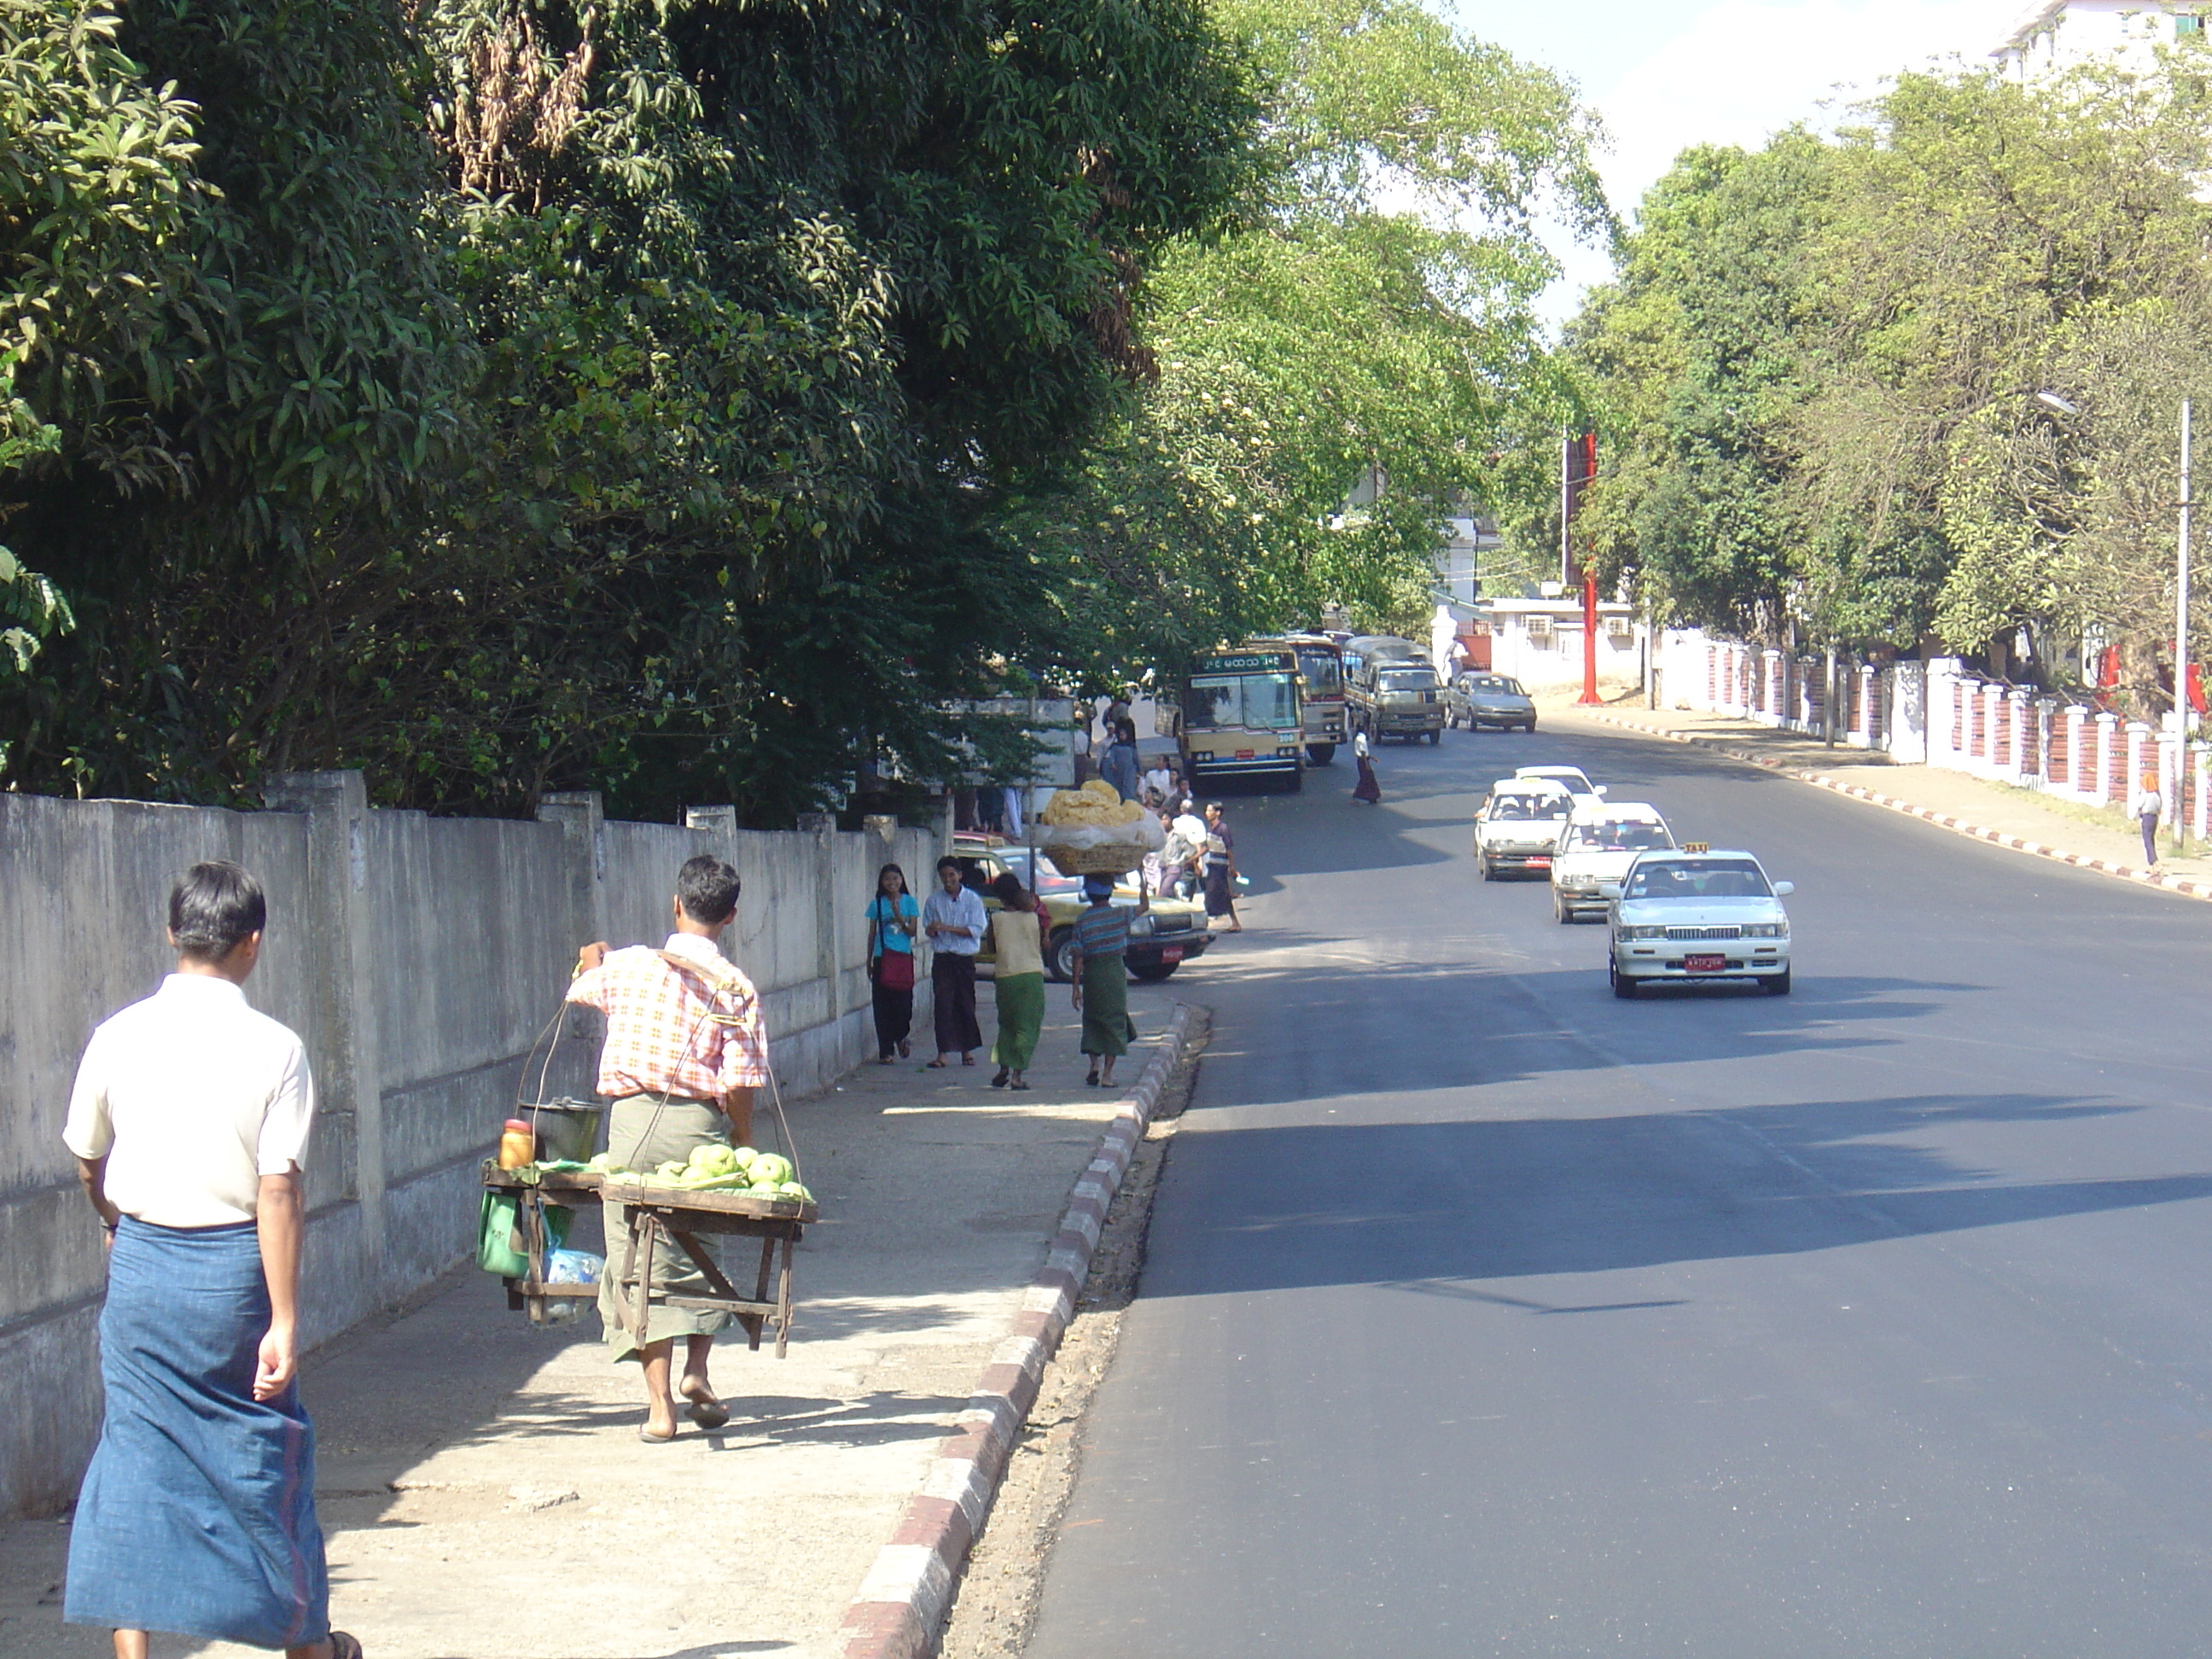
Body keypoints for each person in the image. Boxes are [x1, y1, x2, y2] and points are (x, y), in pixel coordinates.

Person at [62, 861, 363, 1659]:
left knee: (135, 1453)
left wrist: (116, 1223)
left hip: (142, 1273)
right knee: (262, 1455)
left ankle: (134, 1654)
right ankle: (307, 1646)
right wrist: (286, 1317)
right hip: (232, 1277)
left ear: (173, 933)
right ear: (253, 944)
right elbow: (278, 1194)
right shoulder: (276, 1049)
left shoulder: (118, 1035)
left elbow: (89, 1162)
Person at [568, 854, 770, 1442]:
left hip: (632, 1127)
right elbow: (739, 1083)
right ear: (730, 916)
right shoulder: (736, 988)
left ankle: (659, 1410)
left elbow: (579, 991)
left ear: (676, 906)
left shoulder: (629, 967)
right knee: (699, 1245)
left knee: (634, 1256)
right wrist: (742, 1138)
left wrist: (588, 959)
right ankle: (698, 1370)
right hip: (699, 1129)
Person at [1071, 873, 1148, 1088]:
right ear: (1110, 892)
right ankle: (1107, 1075)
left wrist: (1076, 988)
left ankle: (1094, 1065)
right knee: (1114, 1020)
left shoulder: (1082, 920)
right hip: (1114, 972)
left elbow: (1078, 956)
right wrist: (1143, 882)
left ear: (1088, 893)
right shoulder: (1120, 915)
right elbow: (1144, 906)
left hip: (1092, 975)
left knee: (1093, 1019)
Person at [987, 873, 1051, 1091]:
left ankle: (1003, 1067)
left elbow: (992, 948)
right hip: (1031, 975)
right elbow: (1045, 945)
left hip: (1005, 976)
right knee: (1027, 1026)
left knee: (1007, 1024)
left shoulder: (995, 919)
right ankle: (1017, 1075)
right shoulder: (1034, 918)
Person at [923, 856, 987, 1066]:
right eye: (944, 876)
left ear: (960, 875)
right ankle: (942, 1052)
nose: (948, 879)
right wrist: (933, 929)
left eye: (952, 875)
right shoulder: (934, 901)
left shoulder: (972, 900)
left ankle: (966, 1050)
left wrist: (948, 928)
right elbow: (928, 929)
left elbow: (975, 930)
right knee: (943, 1005)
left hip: (964, 959)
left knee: (965, 1003)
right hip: (943, 958)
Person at [865, 864, 919, 1063]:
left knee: (904, 1004)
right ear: (882, 882)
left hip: (902, 958)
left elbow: (913, 932)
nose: (892, 883)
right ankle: (885, 1051)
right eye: (887, 879)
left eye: (895, 878)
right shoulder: (876, 904)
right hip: (883, 958)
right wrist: (869, 960)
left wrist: (899, 916)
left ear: (901, 880)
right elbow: (872, 934)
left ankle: (901, 1036)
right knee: (882, 1006)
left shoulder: (910, 902)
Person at [1203, 800, 1243, 932]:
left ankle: (1205, 923)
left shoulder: (1223, 829)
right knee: (1222, 894)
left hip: (1221, 866)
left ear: (1218, 813)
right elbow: (1207, 847)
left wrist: (1232, 868)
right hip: (1213, 864)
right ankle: (1234, 922)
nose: (1207, 813)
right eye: (1207, 810)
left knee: (1212, 893)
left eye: (1210, 811)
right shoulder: (1211, 828)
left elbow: (1229, 850)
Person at [1171, 802, 1208, 900]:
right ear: (1192, 810)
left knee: (1186, 878)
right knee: (1201, 879)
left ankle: (1184, 896)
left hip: (1181, 855)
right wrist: (1200, 861)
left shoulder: (1176, 822)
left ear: (1181, 810)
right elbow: (1201, 842)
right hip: (1196, 854)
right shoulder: (1198, 823)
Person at [1101, 716, 1142, 803]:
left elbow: (1136, 758)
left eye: (1124, 735)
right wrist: (1113, 764)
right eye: (1121, 735)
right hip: (1118, 770)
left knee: (1129, 787)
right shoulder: (1115, 746)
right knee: (1118, 786)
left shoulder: (1131, 746)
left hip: (1129, 770)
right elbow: (1112, 756)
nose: (1122, 737)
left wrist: (1140, 769)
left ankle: (1130, 803)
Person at [2135, 771, 2164, 866]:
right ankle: (2151, 866)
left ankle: (2154, 861)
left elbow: (2139, 804)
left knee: (2147, 840)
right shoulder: (2157, 793)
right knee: (2151, 839)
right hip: (2154, 818)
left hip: (2146, 817)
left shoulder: (2145, 793)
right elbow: (2160, 807)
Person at [1351, 728, 1382, 805]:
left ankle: (1371, 797)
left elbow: (1364, 753)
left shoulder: (1358, 738)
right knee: (1367, 778)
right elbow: (1363, 752)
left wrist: (1372, 758)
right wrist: (1367, 764)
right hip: (1363, 761)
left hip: (1362, 760)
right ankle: (1359, 796)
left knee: (1367, 778)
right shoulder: (1361, 739)